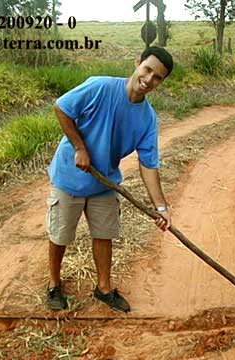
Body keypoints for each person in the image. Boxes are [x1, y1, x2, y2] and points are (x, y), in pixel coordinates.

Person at [45, 46, 173, 313]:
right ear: (137, 62)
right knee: (61, 235)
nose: (149, 80)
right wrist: (80, 147)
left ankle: (104, 288)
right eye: (148, 69)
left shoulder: (148, 119)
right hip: (71, 176)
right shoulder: (100, 87)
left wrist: (161, 208)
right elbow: (62, 107)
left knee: (104, 235)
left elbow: (148, 165)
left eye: (158, 77)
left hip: (104, 183)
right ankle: (54, 284)